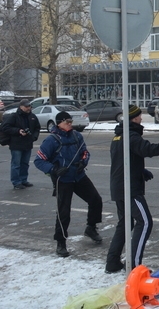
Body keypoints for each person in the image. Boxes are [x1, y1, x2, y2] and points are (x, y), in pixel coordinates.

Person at [105, 104, 159, 273]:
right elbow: (149, 150)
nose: (141, 119)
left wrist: (139, 170)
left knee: (124, 224)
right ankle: (135, 266)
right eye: (138, 116)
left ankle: (112, 262)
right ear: (133, 119)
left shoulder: (118, 136)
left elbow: (123, 159)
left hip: (119, 186)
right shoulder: (131, 136)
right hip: (129, 188)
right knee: (145, 222)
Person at [34, 110, 104, 257]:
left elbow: (85, 152)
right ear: (59, 123)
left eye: (71, 122)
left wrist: (82, 162)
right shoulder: (51, 140)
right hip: (63, 179)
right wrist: (54, 169)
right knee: (64, 213)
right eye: (67, 122)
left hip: (78, 176)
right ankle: (61, 242)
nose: (70, 125)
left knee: (96, 200)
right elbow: (39, 160)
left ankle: (91, 227)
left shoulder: (77, 136)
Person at [1, 98, 40, 189]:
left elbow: (37, 128)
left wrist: (34, 137)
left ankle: (23, 180)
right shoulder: (14, 116)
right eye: (26, 106)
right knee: (16, 164)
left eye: (29, 106)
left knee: (25, 163)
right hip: (16, 144)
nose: (28, 108)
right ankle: (16, 182)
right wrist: (18, 131)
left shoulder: (32, 116)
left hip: (27, 143)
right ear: (21, 107)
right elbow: (5, 127)